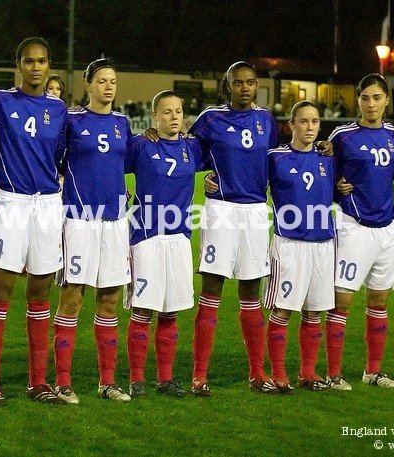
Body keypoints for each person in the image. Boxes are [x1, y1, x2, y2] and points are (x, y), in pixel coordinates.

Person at [0, 37, 68, 404]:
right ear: (18, 64)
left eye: (42, 61)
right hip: (12, 202)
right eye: (29, 61)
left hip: (47, 203)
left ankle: (38, 382)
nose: (35, 67)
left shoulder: (60, 109)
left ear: (50, 66)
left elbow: (68, 155)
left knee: (40, 293)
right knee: (1, 290)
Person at [187, 61, 279, 396]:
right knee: (211, 290)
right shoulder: (211, 117)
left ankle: (257, 373)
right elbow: (186, 152)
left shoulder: (266, 120)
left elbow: (278, 157)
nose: (244, 88)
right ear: (227, 86)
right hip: (222, 210)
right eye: (237, 83)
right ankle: (199, 375)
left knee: (251, 294)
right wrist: (208, 174)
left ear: (257, 85)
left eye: (250, 83)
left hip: (255, 211)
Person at [54, 58, 132, 403]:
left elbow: (128, 163)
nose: (109, 86)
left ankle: (107, 382)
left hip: (114, 221)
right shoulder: (71, 121)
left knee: (110, 300)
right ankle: (63, 382)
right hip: (79, 220)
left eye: (113, 80)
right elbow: (53, 159)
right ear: (88, 85)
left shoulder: (123, 123)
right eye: (101, 80)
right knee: (72, 299)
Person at [124, 90, 206, 398]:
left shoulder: (193, 148)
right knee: (144, 309)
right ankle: (135, 379)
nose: (173, 117)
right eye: (167, 112)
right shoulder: (141, 145)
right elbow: (108, 166)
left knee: (171, 311)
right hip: (146, 236)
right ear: (154, 116)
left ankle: (166, 379)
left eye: (178, 111)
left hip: (179, 237)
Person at [327, 73, 394, 390]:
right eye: (365, 98)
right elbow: (320, 175)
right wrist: (335, 187)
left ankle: (373, 372)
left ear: (386, 100)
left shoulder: (393, 136)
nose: (371, 104)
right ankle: (332, 375)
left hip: (387, 229)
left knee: (380, 301)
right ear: (358, 100)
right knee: (341, 301)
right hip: (353, 226)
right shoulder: (342, 137)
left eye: (376, 97)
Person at [263, 101, 334, 393]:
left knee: (314, 312)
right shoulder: (275, 158)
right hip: (289, 245)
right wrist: (213, 183)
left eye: (315, 122)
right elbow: (250, 184)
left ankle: (308, 373)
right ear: (291, 125)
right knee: (283, 310)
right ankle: (279, 374)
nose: (309, 127)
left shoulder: (328, 158)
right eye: (303, 122)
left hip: (323, 243)